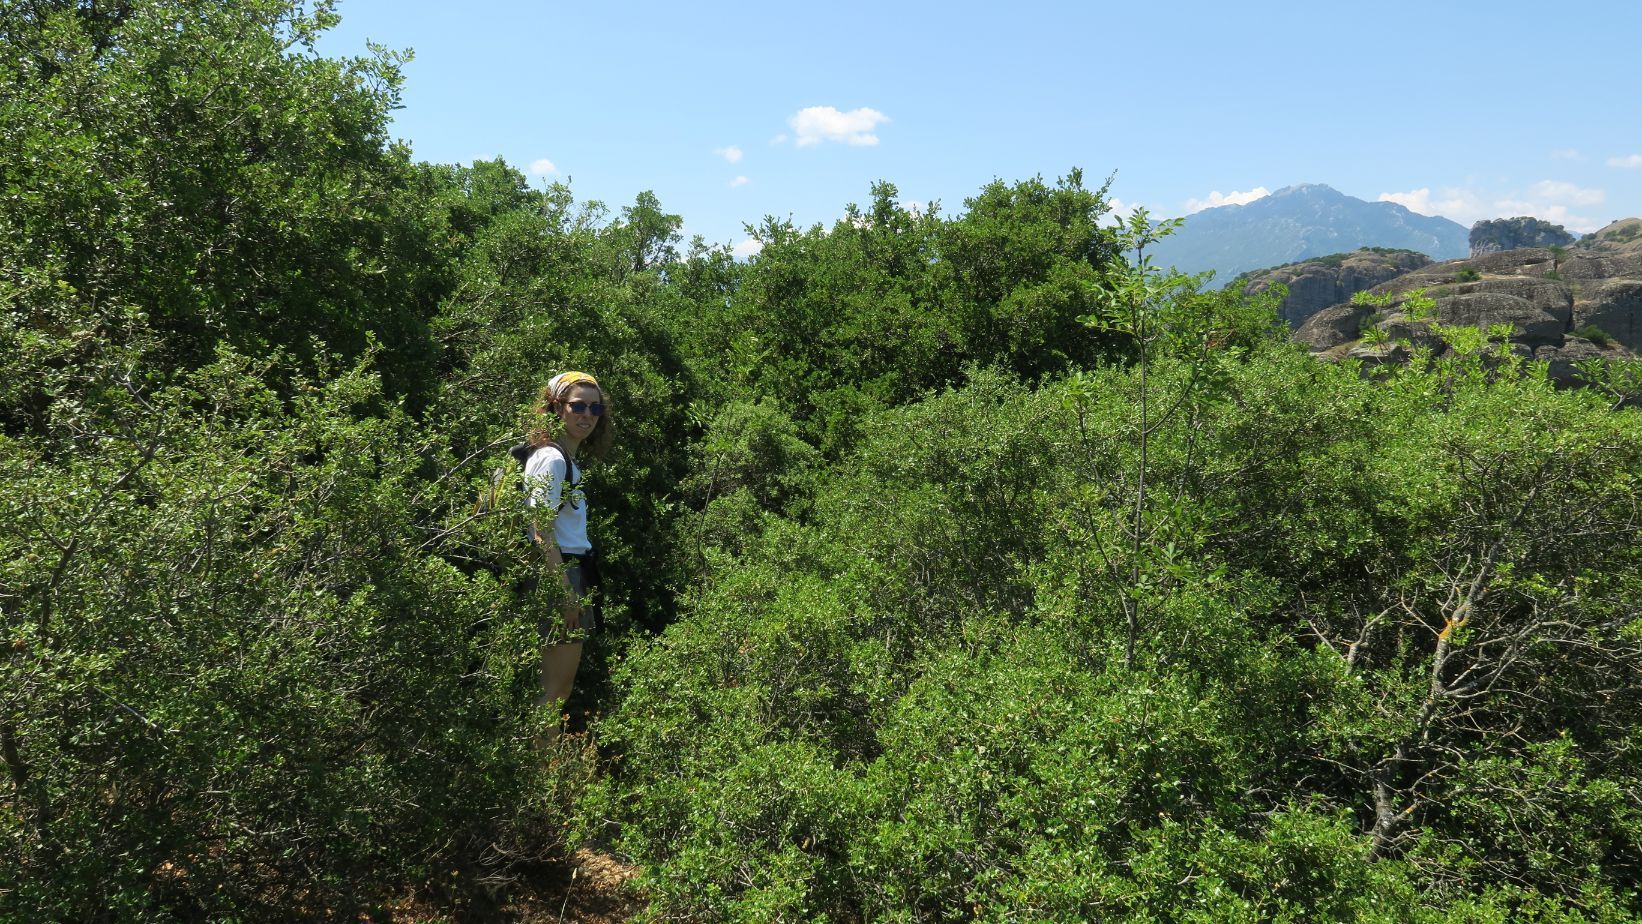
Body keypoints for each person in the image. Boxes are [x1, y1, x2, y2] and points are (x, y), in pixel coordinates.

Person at [523, 370, 613, 743]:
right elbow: (540, 531)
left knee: (556, 689)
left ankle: (540, 763)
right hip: (560, 575)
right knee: (554, 691)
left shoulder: (561, 458)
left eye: (595, 408)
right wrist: (566, 595)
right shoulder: (553, 459)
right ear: (557, 407)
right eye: (578, 406)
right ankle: (540, 769)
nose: (587, 415)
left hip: (565, 572)